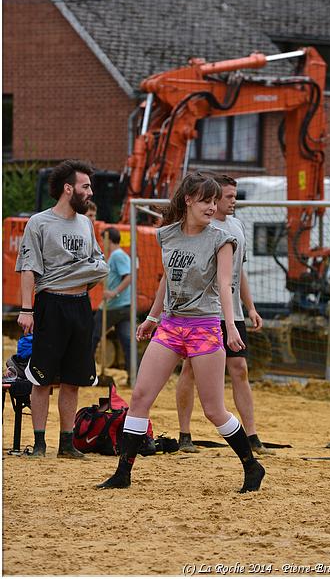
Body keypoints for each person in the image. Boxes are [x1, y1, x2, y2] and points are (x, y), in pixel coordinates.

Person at [97, 172, 265, 492]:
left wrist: (230, 327)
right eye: (206, 200)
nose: (212, 206)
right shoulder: (168, 235)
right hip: (172, 325)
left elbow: (225, 285)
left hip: (205, 326)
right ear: (188, 200)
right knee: (140, 397)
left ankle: (251, 466)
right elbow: (166, 279)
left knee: (214, 409)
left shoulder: (221, 239)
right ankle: (123, 473)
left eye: (215, 201)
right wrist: (152, 317)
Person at [15, 159, 109, 458]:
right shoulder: (39, 223)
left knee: (74, 379)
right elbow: (29, 269)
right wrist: (27, 309)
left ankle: (66, 444)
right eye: (85, 186)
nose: (90, 192)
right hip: (50, 306)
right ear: (68, 189)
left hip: (80, 306)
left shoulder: (86, 223)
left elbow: (99, 264)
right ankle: (40, 442)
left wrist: (80, 278)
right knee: (41, 378)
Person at [176, 174, 271, 455]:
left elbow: (237, 273)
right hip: (203, 313)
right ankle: (185, 435)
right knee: (190, 369)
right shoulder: (197, 228)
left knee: (239, 369)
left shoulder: (236, 227)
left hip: (232, 313)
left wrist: (250, 307)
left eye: (233, 196)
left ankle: (252, 435)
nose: (233, 202)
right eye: (228, 197)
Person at [91, 227, 131, 380]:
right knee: (126, 341)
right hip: (124, 306)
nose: (101, 243)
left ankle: (86, 373)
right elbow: (114, 278)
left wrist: (114, 292)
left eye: (102, 240)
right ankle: (133, 376)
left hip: (114, 306)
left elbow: (128, 277)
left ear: (108, 240)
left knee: (92, 336)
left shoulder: (117, 256)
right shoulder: (117, 256)